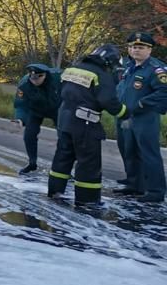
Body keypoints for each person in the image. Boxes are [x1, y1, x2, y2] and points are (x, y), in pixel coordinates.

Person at [48, 44, 128, 207]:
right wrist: (125, 114)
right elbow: (108, 101)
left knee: (62, 158)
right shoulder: (101, 75)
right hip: (85, 123)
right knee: (88, 163)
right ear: (108, 62)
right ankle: (87, 200)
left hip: (64, 120)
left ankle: (55, 192)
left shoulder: (72, 69)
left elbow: (60, 90)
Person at [115, 32, 167, 203]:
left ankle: (156, 191)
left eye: (141, 47)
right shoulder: (129, 66)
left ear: (149, 49)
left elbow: (163, 92)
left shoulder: (156, 69)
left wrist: (141, 104)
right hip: (125, 117)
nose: (136, 50)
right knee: (128, 150)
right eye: (133, 47)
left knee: (148, 153)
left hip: (145, 118)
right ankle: (135, 185)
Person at [12, 63, 61, 174]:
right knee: (29, 134)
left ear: (45, 75)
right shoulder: (24, 83)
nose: (35, 81)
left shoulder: (58, 77)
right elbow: (21, 103)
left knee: (65, 137)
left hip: (57, 109)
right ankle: (32, 163)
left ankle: (62, 168)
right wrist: (20, 118)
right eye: (32, 78)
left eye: (39, 77)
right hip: (35, 110)